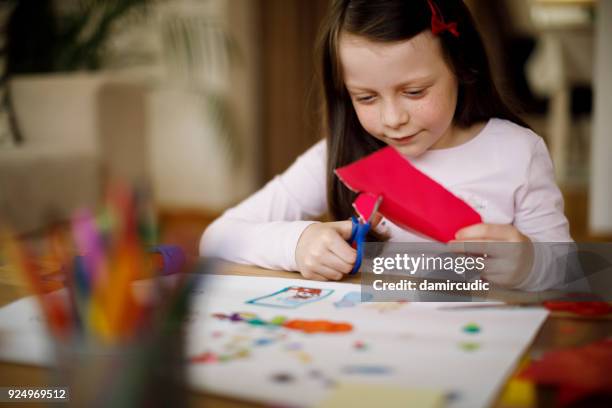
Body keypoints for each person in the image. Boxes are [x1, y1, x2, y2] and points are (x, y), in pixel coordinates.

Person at [200, 0, 571, 289]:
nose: (393, 118)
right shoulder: (338, 156)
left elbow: (569, 271)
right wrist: (296, 242)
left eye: (414, 92)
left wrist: (530, 263)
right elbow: (217, 238)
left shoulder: (518, 153)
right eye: (366, 98)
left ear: (461, 66)